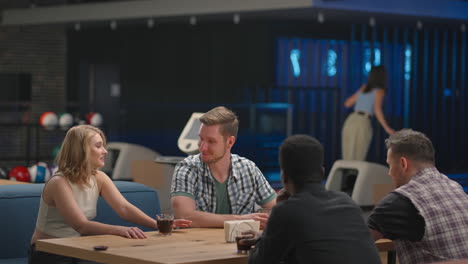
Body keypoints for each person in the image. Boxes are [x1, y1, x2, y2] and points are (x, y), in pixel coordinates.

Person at [29, 125, 191, 264]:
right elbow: (81, 225)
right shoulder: (59, 183)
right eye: (98, 146)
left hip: (75, 248)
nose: (105, 151)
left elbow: (124, 208)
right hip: (48, 253)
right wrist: (119, 230)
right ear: (81, 150)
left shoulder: (99, 178)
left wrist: (157, 225)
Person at [244, 134, 380, 264]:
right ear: (322, 173)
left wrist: (267, 230)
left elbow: (258, 261)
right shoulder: (348, 202)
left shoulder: (286, 211)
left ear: (284, 177)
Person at [368, 129, 468, 263]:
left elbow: (355, 244)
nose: (389, 173)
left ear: (403, 164)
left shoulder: (399, 201)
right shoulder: (456, 188)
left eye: (389, 165)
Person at [170, 106, 277, 229]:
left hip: (238, 245)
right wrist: (241, 220)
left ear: (230, 142)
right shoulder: (186, 168)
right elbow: (184, 216)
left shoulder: (248, 169)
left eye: (211, 141)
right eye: (201, 139)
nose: (202, 147)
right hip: (197, 246)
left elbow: (276, 209)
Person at [342, 65, 395, 161]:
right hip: (363, 122)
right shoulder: (379, 91)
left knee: (347, 156)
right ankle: (354, 176)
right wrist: (387, 128)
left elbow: (347, 103)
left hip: (351, 120)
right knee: (358, 157)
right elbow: (377, 110)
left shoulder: (363, 88)